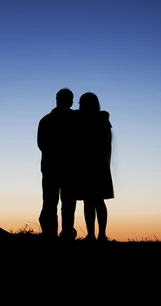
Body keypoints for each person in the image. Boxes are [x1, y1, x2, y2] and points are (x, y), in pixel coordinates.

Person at [37, 88, 78, 242]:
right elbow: (42, 144)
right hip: (61, 168)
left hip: (54, 168)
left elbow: (42, 144)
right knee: (61, 203)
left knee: (53, 201)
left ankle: (52, 234)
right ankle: (59, 234)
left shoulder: (47, 120)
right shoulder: (72, 118)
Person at [75, 92, 114, 242]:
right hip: (95, 165)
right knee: (93, 201)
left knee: (94, 201)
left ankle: (99, 234)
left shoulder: (99, 119)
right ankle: (95, 234)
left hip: (93, 164)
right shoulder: (100, 118)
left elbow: (106, 143)